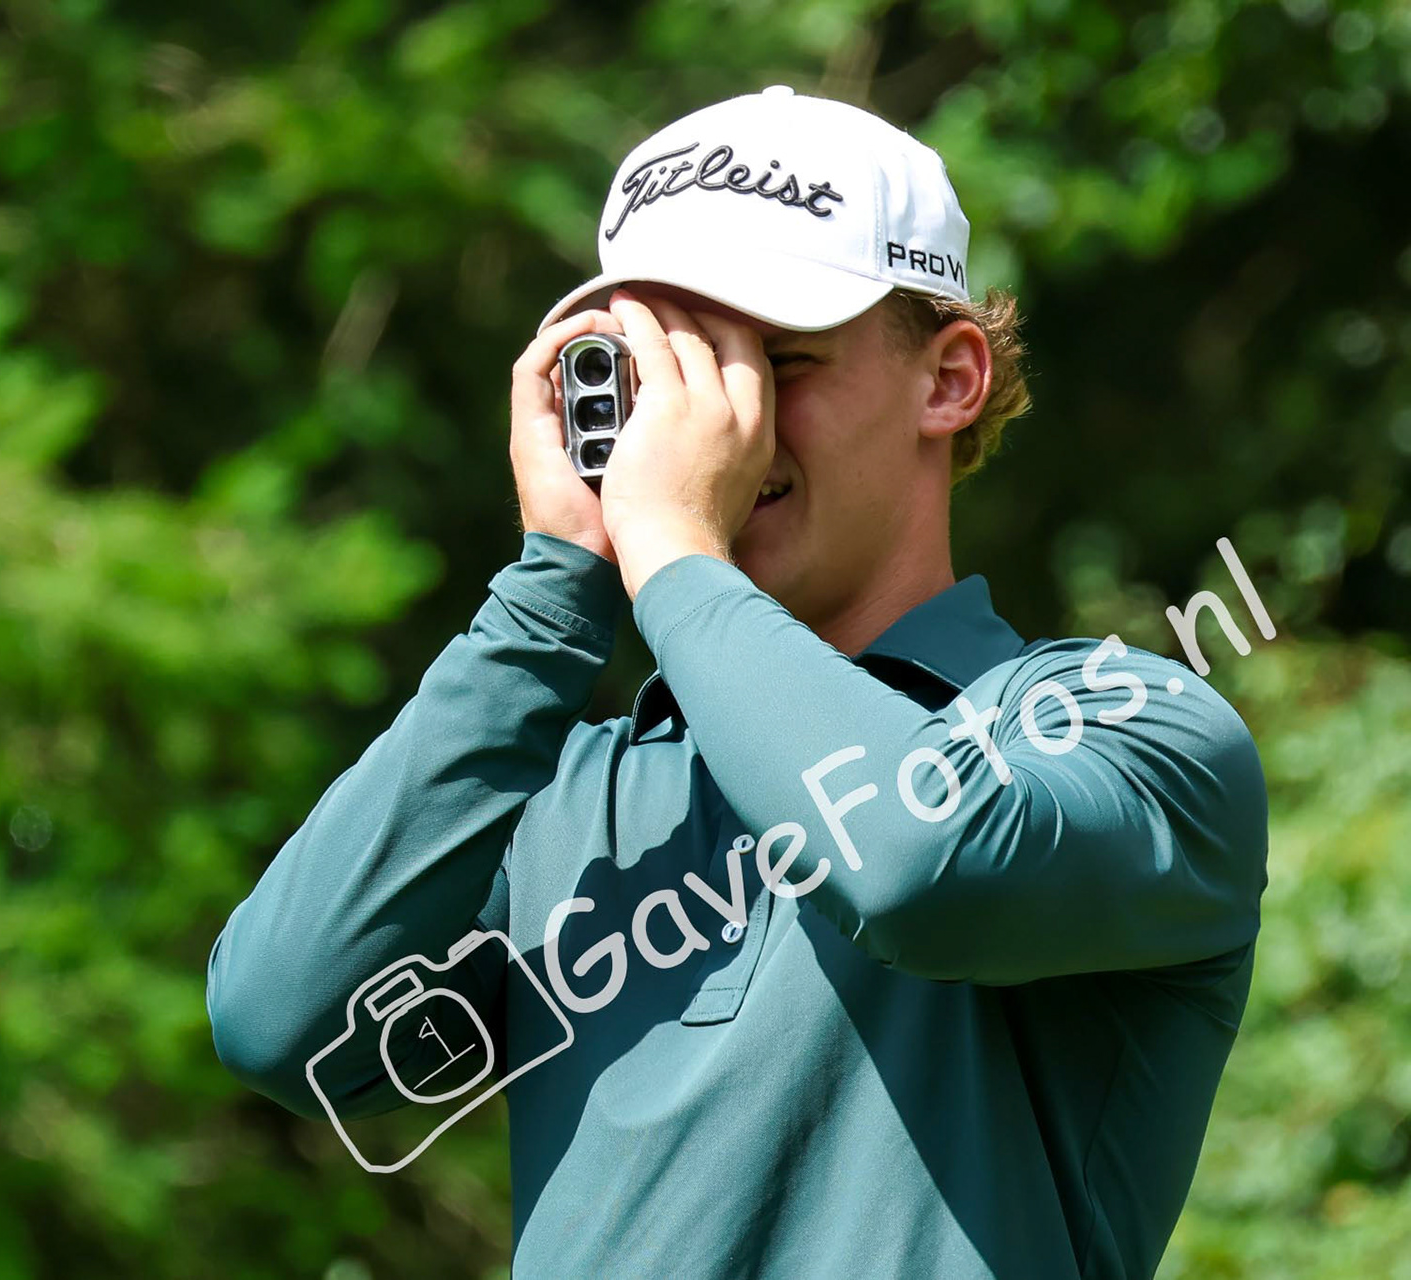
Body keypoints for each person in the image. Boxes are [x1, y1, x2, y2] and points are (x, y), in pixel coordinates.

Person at [205, 85, 1269, 1278]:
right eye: (666, 371)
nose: (716, 429)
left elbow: (916, 862)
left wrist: (671, 546)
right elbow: (285, 1026)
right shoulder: (571, 796)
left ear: (949, 378)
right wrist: (549, 598)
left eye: (773, 360)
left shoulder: (1131, 728)